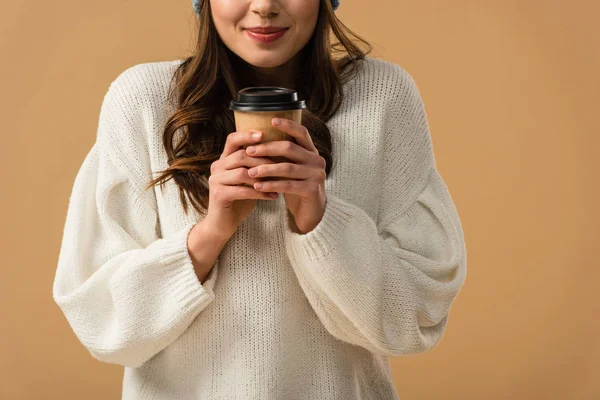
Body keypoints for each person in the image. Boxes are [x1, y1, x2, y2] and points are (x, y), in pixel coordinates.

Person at [52, 0, 468, 398]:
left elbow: (415, 316)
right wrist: (210, 234)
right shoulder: (144, 100)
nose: (265, 5)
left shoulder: (382, 97)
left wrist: (320, 223)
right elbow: (99, 319)